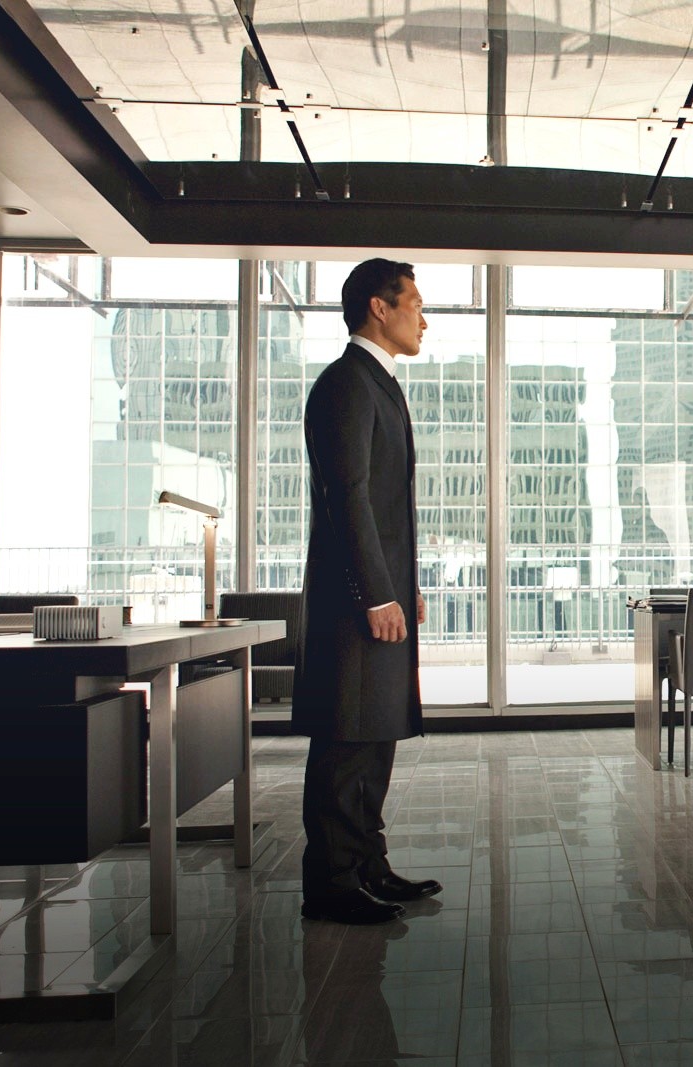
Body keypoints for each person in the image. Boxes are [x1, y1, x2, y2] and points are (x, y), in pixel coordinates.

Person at [293, 258, 442, 924]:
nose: (423, 317)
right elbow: (349, 496)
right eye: (414, 303)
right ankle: (332, 880)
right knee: (346, 736)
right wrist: (376, 593)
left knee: (373, 733)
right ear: (379, 308)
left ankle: (366, 865)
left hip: (378, 595)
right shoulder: (346, 384)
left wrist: (400, 588)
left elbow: (383, 506)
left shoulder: (376, 383)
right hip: (353, 604)